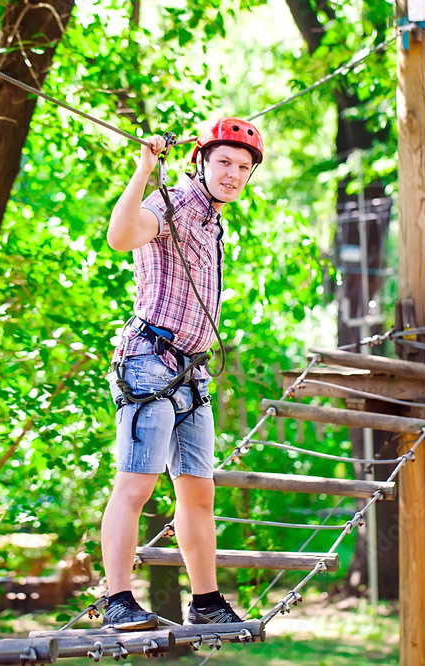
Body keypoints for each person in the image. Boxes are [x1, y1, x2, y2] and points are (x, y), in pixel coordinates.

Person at [100, 117, 264, 630]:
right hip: (149, 358)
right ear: (201, 161)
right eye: (223, 162)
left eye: (243, 167)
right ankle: (118, 601)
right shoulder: (171, 202)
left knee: (198, 491)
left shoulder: (215, 221)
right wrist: (145, 168)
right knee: (137, 482)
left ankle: (206, 601)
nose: (233, 174)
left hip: (190, 372)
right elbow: (121, 237)